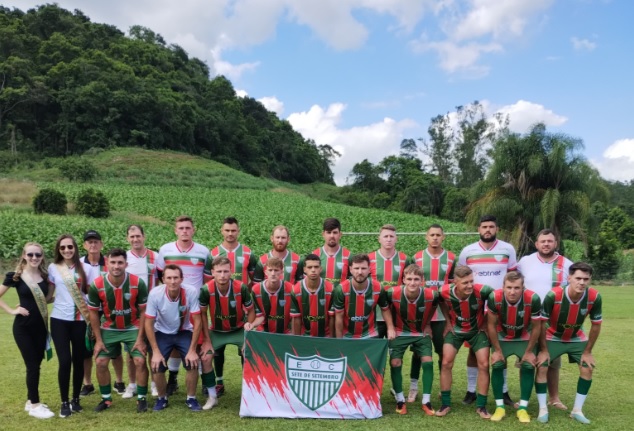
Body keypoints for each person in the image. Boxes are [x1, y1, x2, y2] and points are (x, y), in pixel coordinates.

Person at [458, 215, 517, 407]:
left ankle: (504, 391)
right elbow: (461, 279)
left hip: (501, 308)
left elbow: (513, 278)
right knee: (473, 350)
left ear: (497, 229)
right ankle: (471, 391)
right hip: (475, 309)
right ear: (479, 229)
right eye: (484, 227)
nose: (488, 230)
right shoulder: (468, 251)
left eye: (491, 226)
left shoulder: (508, 249)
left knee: (501, 348)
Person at [536, 262, 602, 424]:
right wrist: (543, 350)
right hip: (552, 336)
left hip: (576, 337)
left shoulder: (594, 297)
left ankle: (577, 410)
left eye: (586, 279)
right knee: (542, 366)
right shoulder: (554, 295)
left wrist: (587, 352)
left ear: (590, 279)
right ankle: (543, 409)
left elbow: (596, 325)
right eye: (578, 278)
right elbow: (541, 323)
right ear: (569, 278)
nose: (582, 282)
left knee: (587, 368)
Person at [87, 248, 149, 413]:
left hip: (133, 327)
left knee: (140, 360)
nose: (116, 266)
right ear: (106, 264)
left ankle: (142, 398)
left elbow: (144, 311)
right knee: (100, 362)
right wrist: (98, 340)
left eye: (120, 262)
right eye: (113, 262)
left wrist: (140, 338)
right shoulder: (97, 285)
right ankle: (106, 399)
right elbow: (93, 313)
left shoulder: (138, 283)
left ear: (126, 264)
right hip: (109, 328)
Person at [517, 228, 573, 411]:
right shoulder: (525, 262)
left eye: (550, 241)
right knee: (526, 360)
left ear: (556, 243)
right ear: (536, 244)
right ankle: (524, 399)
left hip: (553, 321)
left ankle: (554, 398)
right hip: (528, 319)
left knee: (552, 361)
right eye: (543, 241)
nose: (546, 244)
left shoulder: (567, 264)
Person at [156, 215, 210, 396]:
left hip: (195, 305)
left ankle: (203, 379)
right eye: (181, 228)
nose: (184, 231)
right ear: (175, 230)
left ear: (193, 230)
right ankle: (173, 378)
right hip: (172, 303)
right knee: (173, 341)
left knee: (197, 342)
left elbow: (207, 279)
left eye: (188, 228)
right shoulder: (165, 250)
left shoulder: (203, 251)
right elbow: (160, 275)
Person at [145, 264, 211, 412]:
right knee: (156, 365)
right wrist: (155, 351)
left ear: (182, 279)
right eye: (169, 278)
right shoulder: (155, 294)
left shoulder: (190, 291)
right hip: (162, 332)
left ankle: (191, 398)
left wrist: (192, 350)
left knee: (192, 362)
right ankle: (162, 398)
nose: (173, 281)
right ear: (163, 279)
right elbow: (148, 323)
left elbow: (198, 321)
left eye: (176, 278)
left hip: (184, 331)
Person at [0, 242, 55, 419]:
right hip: (23, 328)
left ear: (42, 257)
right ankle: (35, 405)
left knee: (36, 364)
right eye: (30, 254)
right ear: (24, 255)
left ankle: (30, 401)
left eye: (38, 255)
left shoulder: (45, 276)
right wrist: (12, 310)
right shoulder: (15, 276)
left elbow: (46, 299)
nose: (34, 258)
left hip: (40, 327)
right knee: (32, 365)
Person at [206, 217, 256, 396]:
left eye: (233, 230)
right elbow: (208, 282)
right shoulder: (213, 253)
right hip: (219, 313)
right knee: (217, 351)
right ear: (222, 231)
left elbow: (255, 280)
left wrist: (244, 295)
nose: (230, 233)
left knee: (245, 351)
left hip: (241, 310)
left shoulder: (248, 253)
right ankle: (219, 382)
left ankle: (246, 385)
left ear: (238, 231)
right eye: (227, 230)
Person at [435, 265, 493, 419]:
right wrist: (448, 321)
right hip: (455, 331)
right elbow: (440, 301)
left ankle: (481, 406)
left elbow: (497, 301)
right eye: (465, 283)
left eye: (471, 281)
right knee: (446, 362)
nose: (469, 285)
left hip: (477, 331)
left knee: (484, 364)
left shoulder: (483, 291)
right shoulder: (444, 291)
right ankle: (445, 404)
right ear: (455, 282)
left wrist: (486, 322)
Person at [487, 271, 545, 423]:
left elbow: (537, 327)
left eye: (517, 288)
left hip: (524, 336)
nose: (512, 292)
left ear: (523, 288)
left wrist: (529, 351)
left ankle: (523, 408)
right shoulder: (494, 297)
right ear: (503, 287)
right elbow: (491, 325)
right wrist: (497, 350)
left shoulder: (533, 298)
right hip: (502, 336)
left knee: (528, 365)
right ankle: (500, 407)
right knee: (497, 364)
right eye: (509, 287)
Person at [48, 234, 93, 417]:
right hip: (59, 320)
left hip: (80, 321)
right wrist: (31, 302)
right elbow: (49, 294)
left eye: (70, 247)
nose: (67, 250)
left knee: (78, 360)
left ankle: (75, 399)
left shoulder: (86, 268)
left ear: (75, 248)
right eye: (63, 247)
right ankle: (64, 402)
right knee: (65, 361)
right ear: (58, 250)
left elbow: (90, 294)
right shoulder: (53, 267)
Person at [409, 224, 455, 403]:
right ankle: (413, 388)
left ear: (443, 237)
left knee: (443, 352)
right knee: (418, 353)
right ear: (426, 237)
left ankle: (443, 388)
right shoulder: (417, 257)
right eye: (432, 235)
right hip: (421, 314)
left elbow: (453, 285)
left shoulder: (451, 258)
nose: (435, 238)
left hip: (442, 315)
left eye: (438, 235)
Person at [199, 257, 256, 400]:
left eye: (226, 271)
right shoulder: (206, 289)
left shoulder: (241, 287)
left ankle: (248, 387)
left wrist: (248, 335)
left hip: (238, 329)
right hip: (216, 330)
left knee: (248, 352)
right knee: (206, 357)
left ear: (231, 271)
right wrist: (206, 339)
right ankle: (216, 386)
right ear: (212, 272)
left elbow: (251, 310)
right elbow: (202, 314)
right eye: (219, 271)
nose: (223, 275)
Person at [386, 264, 439, 416]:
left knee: (428, 362)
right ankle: (400, 400)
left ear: (422, 280)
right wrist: (390, 327)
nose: (412, 282)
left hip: (420, 332)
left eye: (416, 279)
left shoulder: (432, 295)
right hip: (400, 332)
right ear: (403, 279)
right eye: (409, 279)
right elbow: (385, 309)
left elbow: (433, 307)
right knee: (395, 362)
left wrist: (427, 324)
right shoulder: (392, 293)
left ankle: (426, 401)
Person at [81, 230, 125, 397]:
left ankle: (119, 381)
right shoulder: (79, 264)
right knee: (86, 350)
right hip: (86, 312)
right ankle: (87, 383)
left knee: (115, 350)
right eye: (89, 242)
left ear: (101, 244)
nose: (93, 245)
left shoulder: (110, 263)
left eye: (96, 242)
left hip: (109, 312)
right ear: (84, 245)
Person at [125, 224, 160, 398]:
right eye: (132, 237)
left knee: (153, 347)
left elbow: (163, 279)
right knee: (131, 350)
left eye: (138, 236)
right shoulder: (124, 258)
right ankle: (132, 384)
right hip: (131, 311)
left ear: (144, 237)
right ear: (127, 239)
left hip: (153, 310)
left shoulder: (155, 256)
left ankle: (154, 383)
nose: (135, 239)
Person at [332, 254, 395, 339]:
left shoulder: (378, 288)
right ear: (350, 269)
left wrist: (390, 329)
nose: (360, 272)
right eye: (356, 268)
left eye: (363, 268)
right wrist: (339, 340)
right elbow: (339, 316)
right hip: (347, 335)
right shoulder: (341, 289)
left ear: (369, 269)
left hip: (370, 334)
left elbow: (385, 309)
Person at [368, 224, 410, 339]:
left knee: (394, 348)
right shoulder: (369, 258)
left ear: (396, 239)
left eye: (391, 236)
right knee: (375, 348)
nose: (388, 239)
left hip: (397, 313)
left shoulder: (405, 259)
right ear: (379, 239)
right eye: (385, 236)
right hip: (374, 313)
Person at [290, 254, 335, 337]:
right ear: (304, 269)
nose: (313, 270)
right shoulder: (296, 290)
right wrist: (297, 340)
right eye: (310, 267)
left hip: (325, 336)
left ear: (321, 269)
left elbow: (332, 317)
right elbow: (296, 318)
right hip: (305, 336)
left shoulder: (330, 289)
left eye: (316, 267)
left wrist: (331, 340)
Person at [251, 257, 294, 334]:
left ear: (282, 272)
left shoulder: (291, 289)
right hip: (263, 332)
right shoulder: (256, 290)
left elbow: (295, 316)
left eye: (276, 270)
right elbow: (259, 316)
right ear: (265, 272)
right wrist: (251, 325)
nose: (273, 274)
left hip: (285, 332)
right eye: (270, 270)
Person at [312, 217, 351, 285]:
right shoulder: (314, 255)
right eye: (329, 232)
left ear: (340, 234)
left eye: (335, 232)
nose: (332, 236)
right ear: (323, 234)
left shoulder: (349, 256)